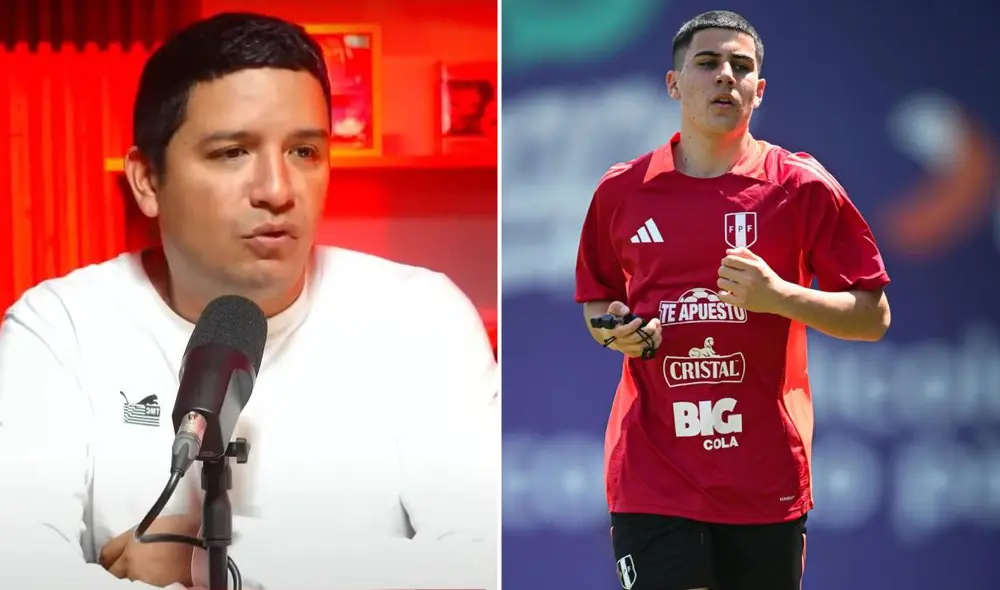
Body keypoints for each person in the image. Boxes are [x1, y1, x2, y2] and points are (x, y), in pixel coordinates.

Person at [0, 12, 498, 590]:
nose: (278, 190)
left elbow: (485, 561)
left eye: (304, 152)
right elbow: (21, 567)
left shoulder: (422, 318)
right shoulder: (60, 328)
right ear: (146, 181)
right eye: (233, 152)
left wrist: (216, 562)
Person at [574, 10, 890, 590]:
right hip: (652, 472)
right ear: (673, 84)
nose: (726, 76)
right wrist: (615, 330)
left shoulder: (799, 186)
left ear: (759, 91)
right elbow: (599, 304)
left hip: (765, 477)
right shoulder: (622, 191)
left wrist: (781, 296)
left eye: (741, 67)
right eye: (708, 63)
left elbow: (873, 317)